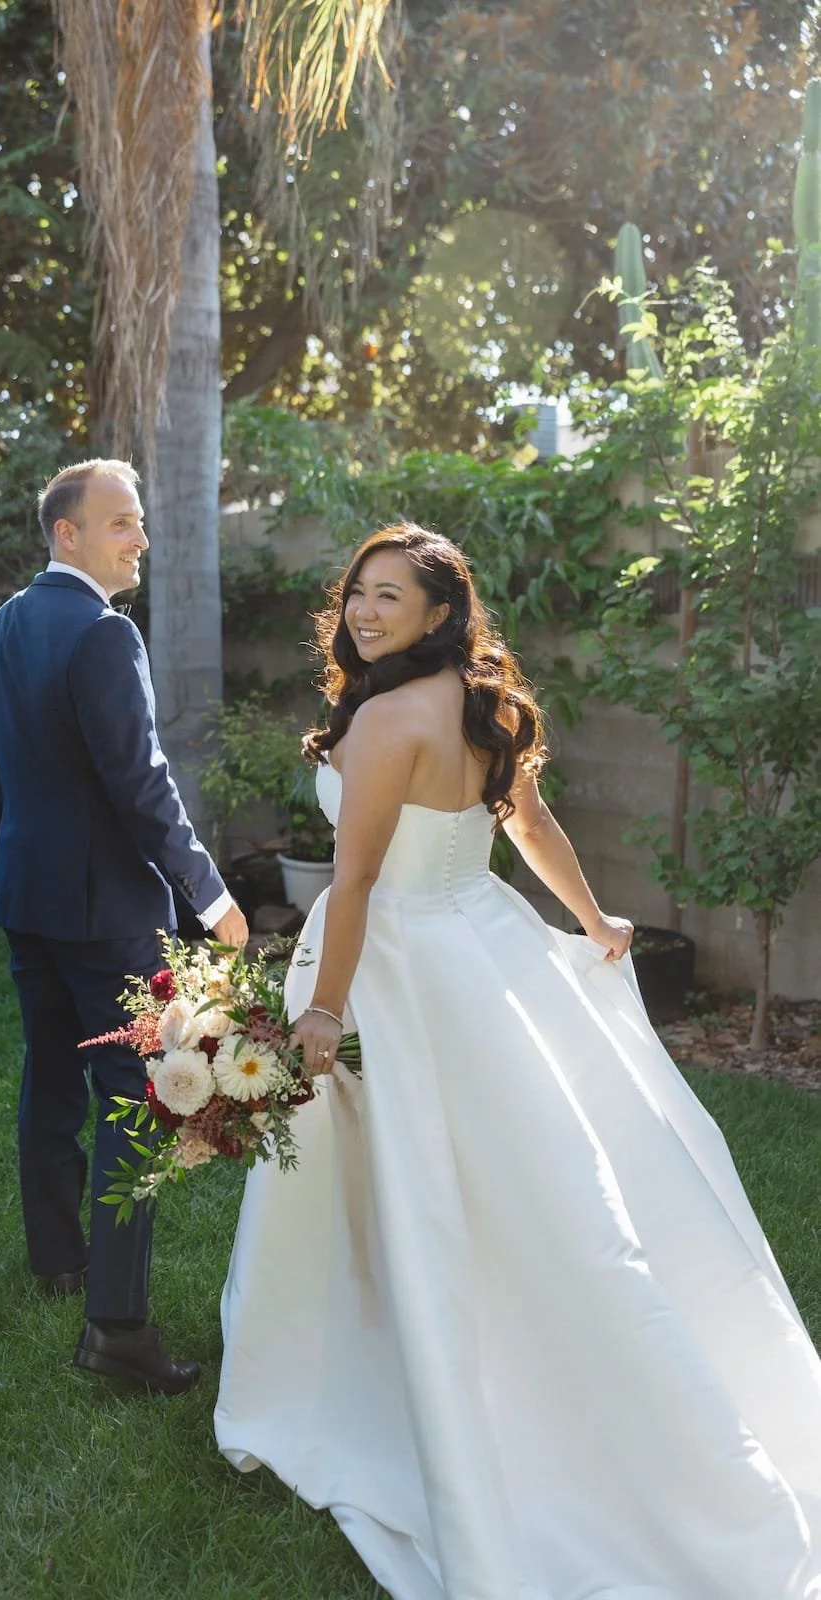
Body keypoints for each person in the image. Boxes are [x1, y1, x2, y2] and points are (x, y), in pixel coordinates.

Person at [215, 525, 821, 1598]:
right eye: (356, 594)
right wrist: (594, 921)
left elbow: (350, 885)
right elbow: (527, 822)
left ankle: (367, 1370)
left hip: (394, 962)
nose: (362, 612)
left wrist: (319, 1010)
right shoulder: (480, 705)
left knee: (416, 1176)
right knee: (513, 1179)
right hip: (478, 941)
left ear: (440, 613)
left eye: (387, 597)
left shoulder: (386, 716)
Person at [0, 458, 248, 1396]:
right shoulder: (100, 633)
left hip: (29, 901)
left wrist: (20, 864)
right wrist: (210, 897)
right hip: (106, 913)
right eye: (120, 522)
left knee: (51, 1074)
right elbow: (142, 784)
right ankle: (117, 1328)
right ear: (66, 533)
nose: (139, 538)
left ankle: (59, 1261)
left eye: (139, 521)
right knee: (133, 1097)